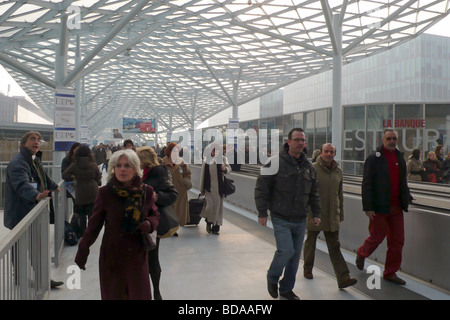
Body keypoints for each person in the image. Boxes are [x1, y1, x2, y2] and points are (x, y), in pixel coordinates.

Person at [74, 149, 160, 300]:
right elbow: (94, 225)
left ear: (135, 168)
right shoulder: (105, 193)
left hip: (137, 255)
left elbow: (155, 215)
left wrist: (148, 224)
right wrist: (83, 249)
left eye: (127, 166)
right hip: (112, 256)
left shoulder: (146, 191)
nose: (122, 169)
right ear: (113, 168)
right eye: (118, 165)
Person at [255, 128, 321, 300]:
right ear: (288, 141)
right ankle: (272, 276)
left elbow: (314, 193)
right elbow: (261, 188)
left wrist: (316, 213)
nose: (300, 143)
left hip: (300, 218)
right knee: (286, 251)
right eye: (297, 139)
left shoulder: (309, 166)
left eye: (303, 140)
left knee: (294, 257)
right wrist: (262, 212)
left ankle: (286, 289)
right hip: (280, 216)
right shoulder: (274, 162)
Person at [4, 131, 63, 288]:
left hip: (29, 211)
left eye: (38, 140)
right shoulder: (18, 163)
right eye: (32, 139)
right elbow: (21, 184)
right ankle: (28, 278)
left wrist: (53, 185)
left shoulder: (33, 159)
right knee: (24, 247)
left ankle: (39, 278)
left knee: (35, 247)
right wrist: (36, 195)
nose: (36, 142)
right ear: (24, 143)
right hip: (21, 213)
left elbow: (41, 175)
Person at [356, 129, 412, 285]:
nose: (392, 140)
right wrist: (368, 207)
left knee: (398, 240)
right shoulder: (374, 158)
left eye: (394, 138)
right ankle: (362, 253)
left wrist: (407, 197)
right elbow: (366, 184)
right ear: (383, 139)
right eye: (389, 138)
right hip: (379, 207)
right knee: (377, 236)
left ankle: (390, 272)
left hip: (396, 208)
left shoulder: (400, 158)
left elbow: (402, 181)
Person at [303, 143, 357, 289]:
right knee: (310, 242)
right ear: (321, 153)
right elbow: (306, 193)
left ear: (334, 154)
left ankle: (343, 278)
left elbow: (340, 195)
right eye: (326, 151)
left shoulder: (338, 171)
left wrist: (340, 214)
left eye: (331, 152)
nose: (328, 154)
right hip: (315, 214)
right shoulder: (312, 169)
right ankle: (307, 268)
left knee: (335, 246)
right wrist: (310, 213)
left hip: (332, 215)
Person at [136, 146, 178, 300]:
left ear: (143, 160)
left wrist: (156, 196)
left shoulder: (159, 172)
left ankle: (156, 292)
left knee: (152, 257)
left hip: (153, 221)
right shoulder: (139, 174)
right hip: (138, 221)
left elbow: (173, 195)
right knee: (141, 257)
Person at [62, 145, 102, 238]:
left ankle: (82, 233)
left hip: (80, 192)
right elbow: (98, 177)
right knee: (92, 214)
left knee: (81, 214)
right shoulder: (93, 164)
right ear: (89, 153)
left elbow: (64, 175)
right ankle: (92, 233)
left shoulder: (74, 165)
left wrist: (74, 177)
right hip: (93, 191)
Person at [199, 143, 232, 235]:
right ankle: (209, 222)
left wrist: (224, 168)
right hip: (209, 188)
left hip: (219, 189)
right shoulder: (206, 161)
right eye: (213, 151)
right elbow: (202, 176)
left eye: (217, 150)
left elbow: (229, 169)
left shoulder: (223, 159)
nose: (215, 153)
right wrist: (202, 189)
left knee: (218, 208)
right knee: (209, 207)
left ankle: (216, 228)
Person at [162, 142, 192, 228]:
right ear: (169, 151)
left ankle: (175, 226)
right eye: (174, 151)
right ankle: (169, 226)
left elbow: (187, 174)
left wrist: (184, 182)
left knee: (179, 209)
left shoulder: (182, 163)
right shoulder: (163, 162)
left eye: (177, 151)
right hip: (167, 190)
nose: (176, 153)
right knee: (168, 209)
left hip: (180, 190)